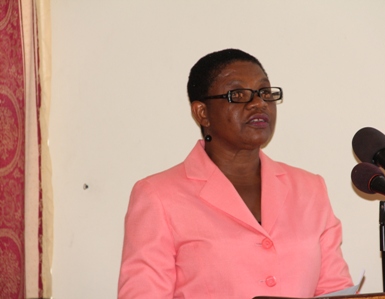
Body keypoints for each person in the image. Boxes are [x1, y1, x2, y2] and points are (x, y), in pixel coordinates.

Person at [118, 49, 353, 298]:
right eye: (238, 94)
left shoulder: (309, 189)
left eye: (265, 92)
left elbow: (335, 289)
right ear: (202, 113)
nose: (259, 103)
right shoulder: (158, 196)